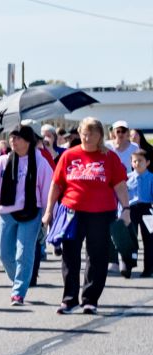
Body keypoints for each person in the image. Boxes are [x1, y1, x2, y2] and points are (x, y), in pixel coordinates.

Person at [47, 114, 130, 315]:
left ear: (100, 136)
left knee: (97, 256)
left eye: (92, 134)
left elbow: (120, 186)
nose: (87, 138)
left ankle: (90, 299)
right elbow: (56, 185)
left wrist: (126, 209)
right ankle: (69, 299)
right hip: (71, 212)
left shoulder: (109, 157)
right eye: (84, 134)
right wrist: (49, 210)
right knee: (70, 256)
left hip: (101, 213)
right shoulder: (69, 155)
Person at [0, 126, 53, 306]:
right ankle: (20, 280)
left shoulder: (40, 161)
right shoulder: (3, 160)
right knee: (5, 254)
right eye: (12, 138)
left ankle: (18, 292)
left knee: (24, 253)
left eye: (18, 138)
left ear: (28, 141)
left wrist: (48, 214)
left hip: (31, 212)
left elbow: (47, 190)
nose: (13, 141)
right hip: (6, 212)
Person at [125, 148, 153, 277]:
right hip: (132, 209)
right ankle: (129, 265)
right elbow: (123, 195)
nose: (137, 164)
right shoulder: (128, 178)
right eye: (134, 161)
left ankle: (148, 269)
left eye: (140, 161)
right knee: (131, 238)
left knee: (149, 239)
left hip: (147, 209)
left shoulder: (151, 177)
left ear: (147, 163)